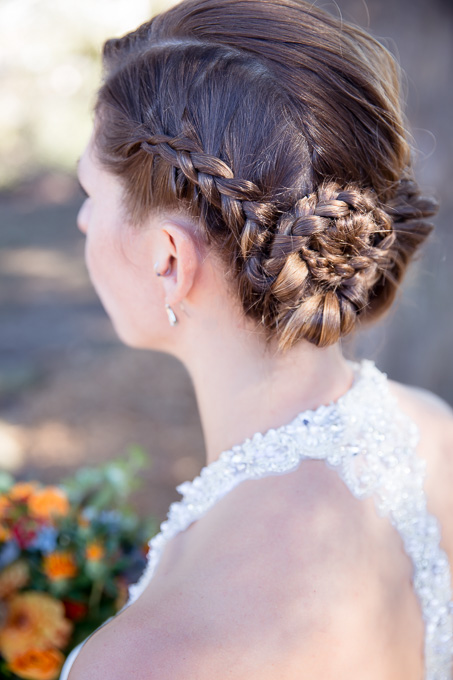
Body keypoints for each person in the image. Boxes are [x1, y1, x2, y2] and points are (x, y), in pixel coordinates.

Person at [63, 0, 453, 678]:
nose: (81, 222)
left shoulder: (145, 659)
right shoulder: (434, 438)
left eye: (90, 194)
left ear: (167, 259)